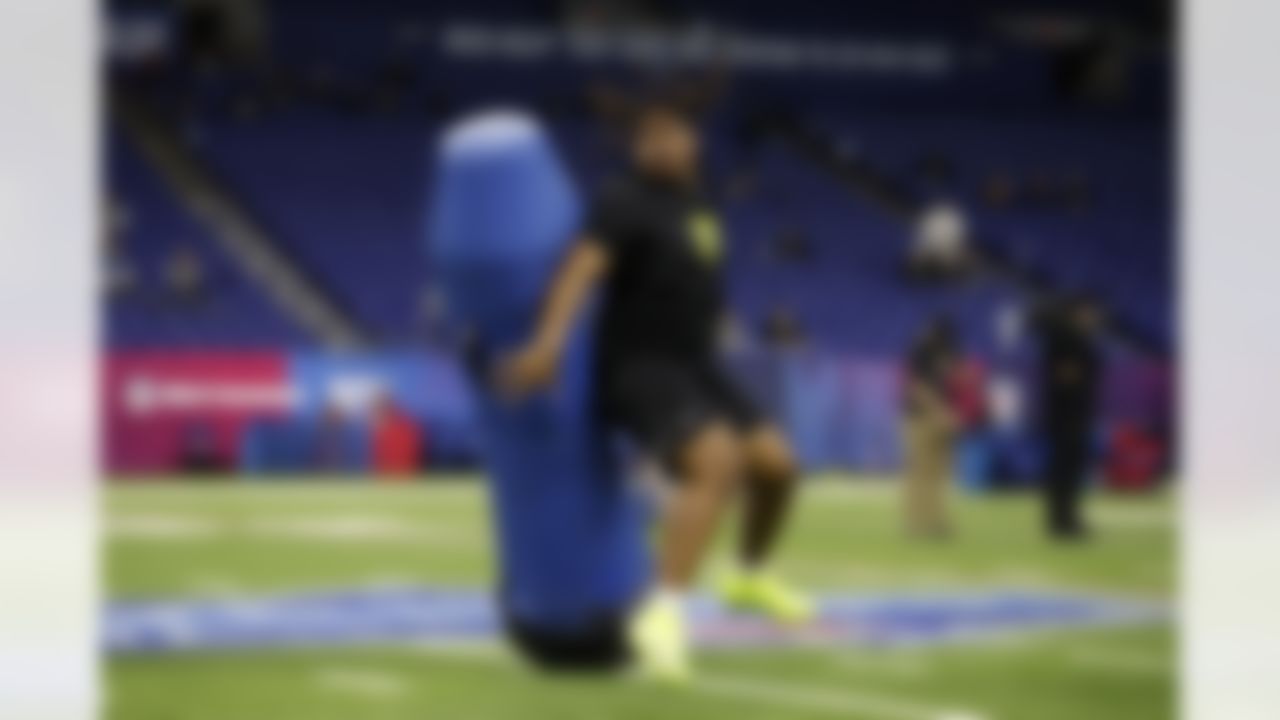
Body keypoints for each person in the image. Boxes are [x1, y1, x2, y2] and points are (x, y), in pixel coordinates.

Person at [498, 100, 811, 681]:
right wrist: (548, 343)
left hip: (698, 365)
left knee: (778, 467)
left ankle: (747, 575)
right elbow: (579, 270)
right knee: (717, 462)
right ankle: (662, 612)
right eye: (647, 138)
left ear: (695, 140)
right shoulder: (623, 199)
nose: (659, 146)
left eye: (671, 134)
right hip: (640, 366)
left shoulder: (700, 206)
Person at [1035, 294, 1104, 539]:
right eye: (1090, 312)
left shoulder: (1075, 339)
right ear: (1077, 314)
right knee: (1064, 470)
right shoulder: (1066, 340)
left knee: (1071, 470)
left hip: (1074, 414)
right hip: (1066, 415)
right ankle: (1061, 521)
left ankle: (1067, 518)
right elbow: (1066, 376)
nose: (1094, 318)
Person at [900, 316, 960, 538]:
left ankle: (934, 520)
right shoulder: (922, 352)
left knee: (938, 473)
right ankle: (916, 522)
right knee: (921, 472)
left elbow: (950, 382)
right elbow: (917, 388)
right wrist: (940, 412)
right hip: (920, 418)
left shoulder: (936, 352)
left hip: (936, 417)